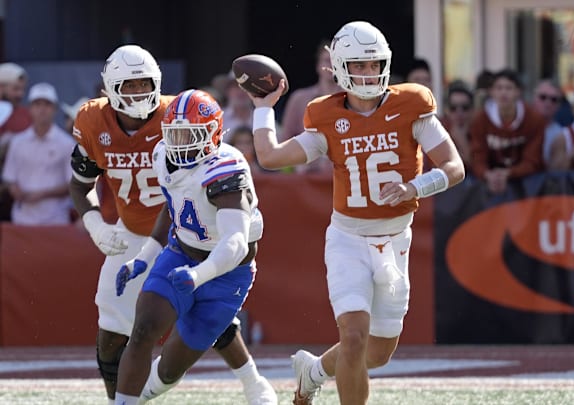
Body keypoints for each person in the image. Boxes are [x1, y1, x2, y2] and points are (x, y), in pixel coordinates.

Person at [247, 20, 465, 404]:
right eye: (360, 65)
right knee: (353, 338)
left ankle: (312, 372)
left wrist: (413, 187)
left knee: (377, 354)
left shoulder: (411, 104)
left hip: (396, 238)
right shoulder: (326, 116)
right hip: (348, 239)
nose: (368, 73)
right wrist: (263, 109)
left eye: (374, 64)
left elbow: (454, 167)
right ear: (341, 67)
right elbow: (269, 157)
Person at [68, 44, 275, 405]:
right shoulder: (110, 127)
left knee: (207, 315)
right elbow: (82, 182)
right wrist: (96, 225)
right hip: (146, 232)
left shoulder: (183, 121)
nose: (137, 93)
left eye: (143, 83)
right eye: (128, 86)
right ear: (109, 88)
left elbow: (232, 241)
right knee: (122, 329)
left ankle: (251, 381)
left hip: (199, 236)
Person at [113, 89, 271, 405]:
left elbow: (235, 244)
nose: (182, 142)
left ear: (213, 133)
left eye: (191, 134)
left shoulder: (225, 168)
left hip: (227, 273)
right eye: (176, 133)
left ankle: (248, 377)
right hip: (180, 252)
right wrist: (144, 258)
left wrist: (198, 276)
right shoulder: (162, 155)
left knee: (170, 370)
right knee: (143, 328)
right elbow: (174, 206)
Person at [2, 82, 76, 225]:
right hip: (22, 220)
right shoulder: (17, 142)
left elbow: (73, 185)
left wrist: (42, 194)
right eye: (37, 104)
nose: (42, 110)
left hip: (55, 221)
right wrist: (14, 189)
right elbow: (9, 178)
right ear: (30, 109)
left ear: (54, 109)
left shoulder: (67, 144)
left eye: (47, 105)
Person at [469, 68, 544, 194]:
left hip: (525, 184)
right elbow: (477, 157)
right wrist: (487, 174)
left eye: (509, 88)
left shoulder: (534, 120)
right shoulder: (480, 120)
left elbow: (533, 161)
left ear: (518, 92)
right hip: (488, 183)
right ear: (491, 92)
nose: (503, 93)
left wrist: (509, 173)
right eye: (499, 88)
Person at [279, 39, 341, 174]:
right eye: (326, 60)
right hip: (306, 176)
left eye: (336, 60)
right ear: (318, 65)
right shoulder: (299, 99)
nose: (331, 65)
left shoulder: (353, 99)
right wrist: (296, 164)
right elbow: (285, 140)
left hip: (344, 174)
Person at [532, 79, 565, 165]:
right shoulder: (520, 125)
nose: (548, 103)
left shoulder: (561, 135)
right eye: (543, 97)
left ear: (558, 105)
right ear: (534, 98)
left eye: (553, 99)